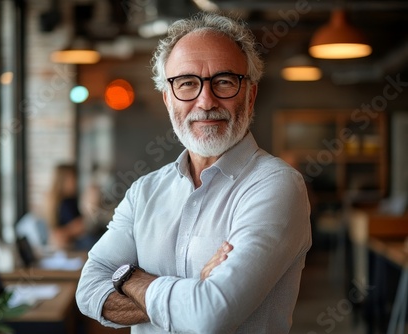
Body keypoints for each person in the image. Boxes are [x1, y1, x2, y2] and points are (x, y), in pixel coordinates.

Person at [76, 12, 312, 333]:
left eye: (224, 82)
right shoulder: (144, 191)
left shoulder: (278, 185)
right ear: (167, 99)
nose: (205, 101)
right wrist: (193, 288)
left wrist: (128, 277)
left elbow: (209, 315)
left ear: (251, 95)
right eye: (187, 83)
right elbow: (88, 290)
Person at [46, 163, 95, 250]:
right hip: (75, 244)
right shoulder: (66, 202)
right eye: (74, 178)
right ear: (64, 180)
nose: (76, 182)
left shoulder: (56, 201)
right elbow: (80, 227)